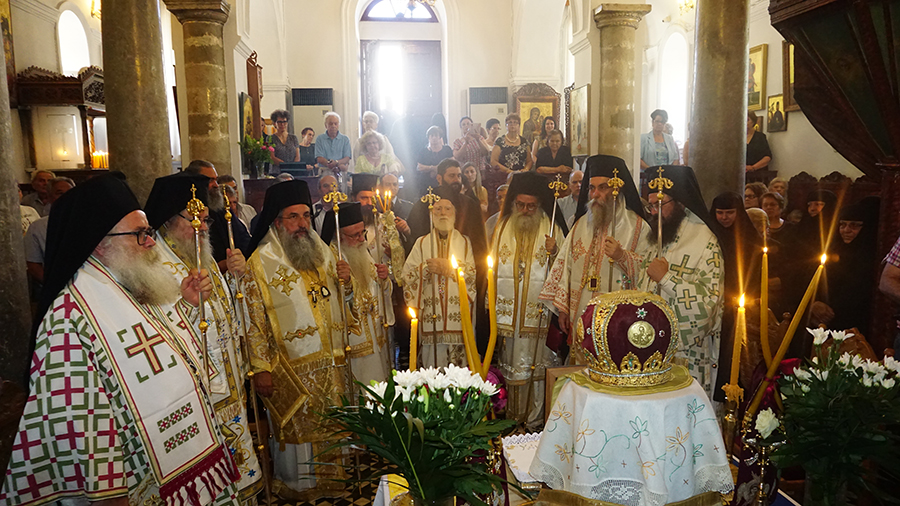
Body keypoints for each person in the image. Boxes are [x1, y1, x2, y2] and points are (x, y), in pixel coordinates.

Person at [1, 172, 241, 505]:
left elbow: (165, 349)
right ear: (100, 241)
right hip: (132, 474)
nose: (151, 242)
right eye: (140, 234)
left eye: (148, 232)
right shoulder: (69, 316)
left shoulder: (129, 282)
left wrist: (186, 306)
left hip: (166, 461)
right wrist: (109, 493)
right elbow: (78, 421)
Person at [144, 172, 263, 497]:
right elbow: (158, 331)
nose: (202, 227)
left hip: (229, 382)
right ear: (168, 220)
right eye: (194, 219)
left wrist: (237, 279)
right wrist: (188, 305)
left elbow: (227, 315)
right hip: (196, 394)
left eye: (206, 220)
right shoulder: (153, 267)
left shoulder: (203, 256)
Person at [244, 180, 350, 498]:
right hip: (289, 366)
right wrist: (260, 367)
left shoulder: (324, 253)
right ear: (277, 222)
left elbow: (342, 302)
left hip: (329, 360)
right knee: (297, 425)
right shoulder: (260, 263)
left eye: (306, 215)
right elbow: (253, 320)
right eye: (293, 216)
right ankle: (297, 484)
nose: (302, 223)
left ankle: (330, 480)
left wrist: (348, 283)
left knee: (330, 420)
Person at [614, 165, 724, 399]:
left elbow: (709, 306)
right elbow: (643, 278)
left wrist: (667, 279)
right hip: (649, 346)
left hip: (687, 356)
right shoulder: (657, 235)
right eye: (651, 205)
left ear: (681, 202)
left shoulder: (705, 242)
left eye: (660, 204)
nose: (654, 212)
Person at [541, 155, 648, 338]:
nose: (595, 194)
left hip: (617, 318)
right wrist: (564, 309)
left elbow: (648, 271)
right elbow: (566, 265)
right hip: (580, 313)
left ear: (616, 189)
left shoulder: (637, 227)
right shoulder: (581, 224)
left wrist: (622, 257)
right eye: (591, 188)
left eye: (602, 187)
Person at [492, 172, 566, 428]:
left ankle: (535, 421)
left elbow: (565, 267)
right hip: (509, 318)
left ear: (539, 204)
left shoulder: (552, 227)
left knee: (537, 368)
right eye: (520, 204)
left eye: (531, 206)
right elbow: (491, 269)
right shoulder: (502, 227)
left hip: (540, 317)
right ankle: (513, 419)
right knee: (511, 366)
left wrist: (555, 252)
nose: (525, 210)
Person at [401, 187, 476, 368]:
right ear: (431, 214)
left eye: (447, 209)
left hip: (458, 319)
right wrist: (425, 269)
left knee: (458, 371)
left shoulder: (465, 242)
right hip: (430, 316)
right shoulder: (421, 243)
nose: (443, 213)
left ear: (455, 214)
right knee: (431, 366)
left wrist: (450, 269)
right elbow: (406, 276)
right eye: (438, 209)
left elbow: (473, 275)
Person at [320, 202, 394, 384]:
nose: (362, 239)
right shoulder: (328, 260)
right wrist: (346, 285)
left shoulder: (362, 251)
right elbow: (327, 302)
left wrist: (384, 279)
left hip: (376, 338)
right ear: (338, 236)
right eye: (355, 235)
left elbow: (376, 289)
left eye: (363, 233)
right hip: (352, 343)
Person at [710, 192, 764, 400]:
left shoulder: (749, 237)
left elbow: (755, 272)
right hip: (716, 302)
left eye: (729, 213)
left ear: (738, 213)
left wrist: (747, 296)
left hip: (741, 303)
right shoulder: (710, 236)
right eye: (720, 213)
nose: (724, 218)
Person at [184, 160, 251, 270]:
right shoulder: (187, 212)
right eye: (210, 180)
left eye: (216, 179)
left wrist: (239, 257)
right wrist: (219, 266)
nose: (216, 185)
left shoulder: (220, 209)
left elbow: (244, 239)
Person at [24, 178, 76, 284]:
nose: (67, 197)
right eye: (60, 193)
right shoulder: (38, 227)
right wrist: (54, 284)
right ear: (49, 197)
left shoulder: (88, 222)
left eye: (70, 192)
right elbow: (33, 265)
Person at [488, 114, 533, 213]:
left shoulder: (524, 141)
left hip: (521, 177)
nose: (513, 125)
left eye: (515, 123)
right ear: (506, 125)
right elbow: (493, 161)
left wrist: (525, 169)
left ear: (519, 125)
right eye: (510, 122)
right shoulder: (500, 141)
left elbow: (529, 160)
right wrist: (508, 171)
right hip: (503, 177)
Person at [415, 125, 453, 195]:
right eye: (432, 136)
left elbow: (452, 164)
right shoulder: (423, 151)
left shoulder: (447, 149)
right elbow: (420, 167)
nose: (434, 138)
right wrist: (433, 168)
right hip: (427, 182)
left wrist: (433, 169)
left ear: (440, 137)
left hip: (444, 181)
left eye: (436, 135)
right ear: (428, 138)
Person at [315, 111, 352, 179]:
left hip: (341, 171)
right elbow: (319, 158)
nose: (333, 126)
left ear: (338, 125)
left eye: (335, 123)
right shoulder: (320, 139)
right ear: (326, 125)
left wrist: (336, 163)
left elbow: (347, 158)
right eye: (330, 123)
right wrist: (329, 164)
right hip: (325, 171)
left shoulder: (345, 139)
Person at [269, 109, 300, 175]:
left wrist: (292, 167)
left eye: (284, 122)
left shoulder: (293, 138)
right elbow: (272, 157)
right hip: (276, 172)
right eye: (279, 122)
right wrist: (285, 166)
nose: (282, 124)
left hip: (292, 172)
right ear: (274, 123)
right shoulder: (270, 138)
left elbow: (297, 156)